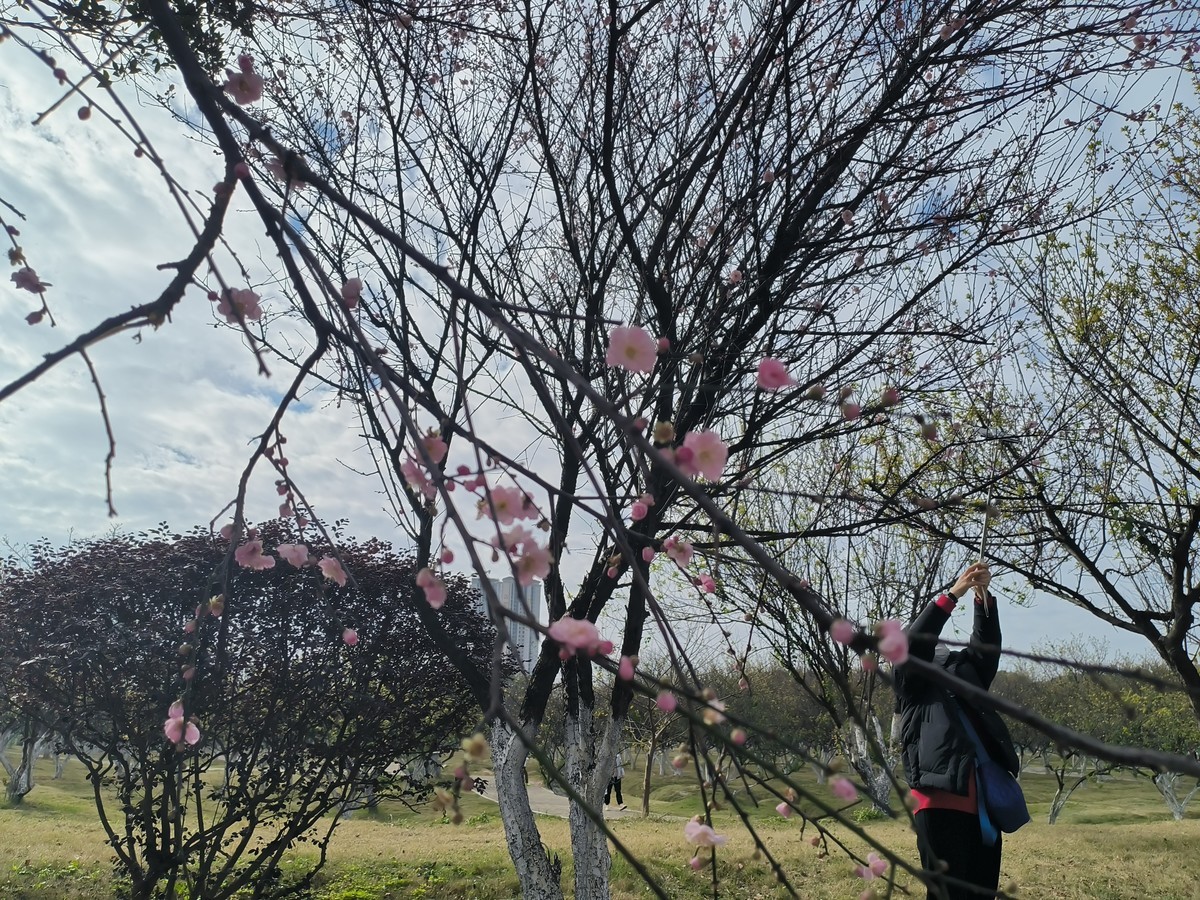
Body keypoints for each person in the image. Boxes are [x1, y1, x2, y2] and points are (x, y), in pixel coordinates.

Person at [894, 563, 1021, 900]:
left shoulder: (966, 669)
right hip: (938, 800)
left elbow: (986, 645)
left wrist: (982, 599)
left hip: (985, 801)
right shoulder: (910, 679)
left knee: (982, 893)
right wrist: (953, 595)